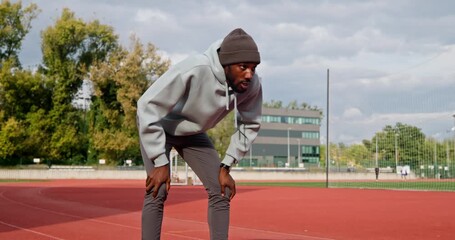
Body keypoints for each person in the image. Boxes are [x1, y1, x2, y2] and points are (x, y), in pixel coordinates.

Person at [136, 28, 262, 240]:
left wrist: (226, 164)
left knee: (221, 189)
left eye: (253, 68)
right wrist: (160, 161)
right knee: (158, 190)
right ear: (227, 64)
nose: (249, 74)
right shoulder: (195, 69)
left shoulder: (251, 85)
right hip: (159, 125)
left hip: (192, 133)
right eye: (243, 67)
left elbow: (250, 123)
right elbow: (147, 105)